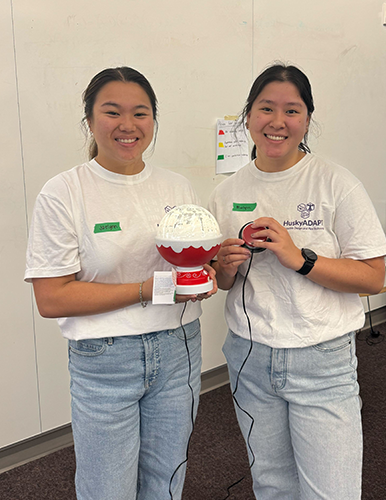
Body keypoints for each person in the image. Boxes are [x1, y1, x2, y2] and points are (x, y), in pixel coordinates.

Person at [24, 67, 216, 500]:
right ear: (90, 120)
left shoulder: (177, 186)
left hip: (179, 346)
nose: (128, 126)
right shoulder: (64, 192)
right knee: (106, 489)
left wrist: (208, 275)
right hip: (104, 359)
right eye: (112, 112)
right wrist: (146, 290)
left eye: (140, 113)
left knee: (167, 481)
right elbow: (52, 298)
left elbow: (199, 264)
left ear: (153, 121)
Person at [208, 63, 386, 499]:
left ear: (308, 118)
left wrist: (300, 259)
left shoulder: (336, 183)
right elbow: (223, 283)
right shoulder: (226, 193)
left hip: (321, 359)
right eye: (266, 108)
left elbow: (373, 275)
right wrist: (226, 267)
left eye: (292, 110)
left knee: (333, 491)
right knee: (272, 485)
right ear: (247, 116)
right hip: (250, 357)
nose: (277, 121)